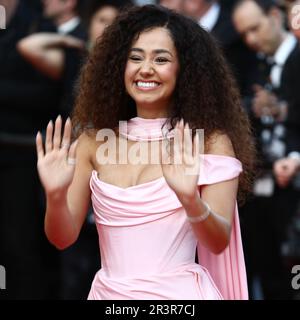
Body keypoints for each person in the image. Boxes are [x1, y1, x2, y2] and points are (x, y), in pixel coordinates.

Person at [35, 4, 255, 300]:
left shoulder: (209, 142)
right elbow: (62, 239)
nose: (145, 69)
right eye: (135, 58)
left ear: (184, 70)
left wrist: (190, 200)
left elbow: (217, 242)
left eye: (161, 59)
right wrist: (56, 195)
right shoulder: (93, 141)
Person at [233, 0, 300, 299]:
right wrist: (253, 108)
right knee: (272, 277)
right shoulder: (255, 65)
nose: (250, 39)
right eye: (244, 33)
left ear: (275, 16)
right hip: (265, 191)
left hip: (295, 189)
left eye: (255, 28)